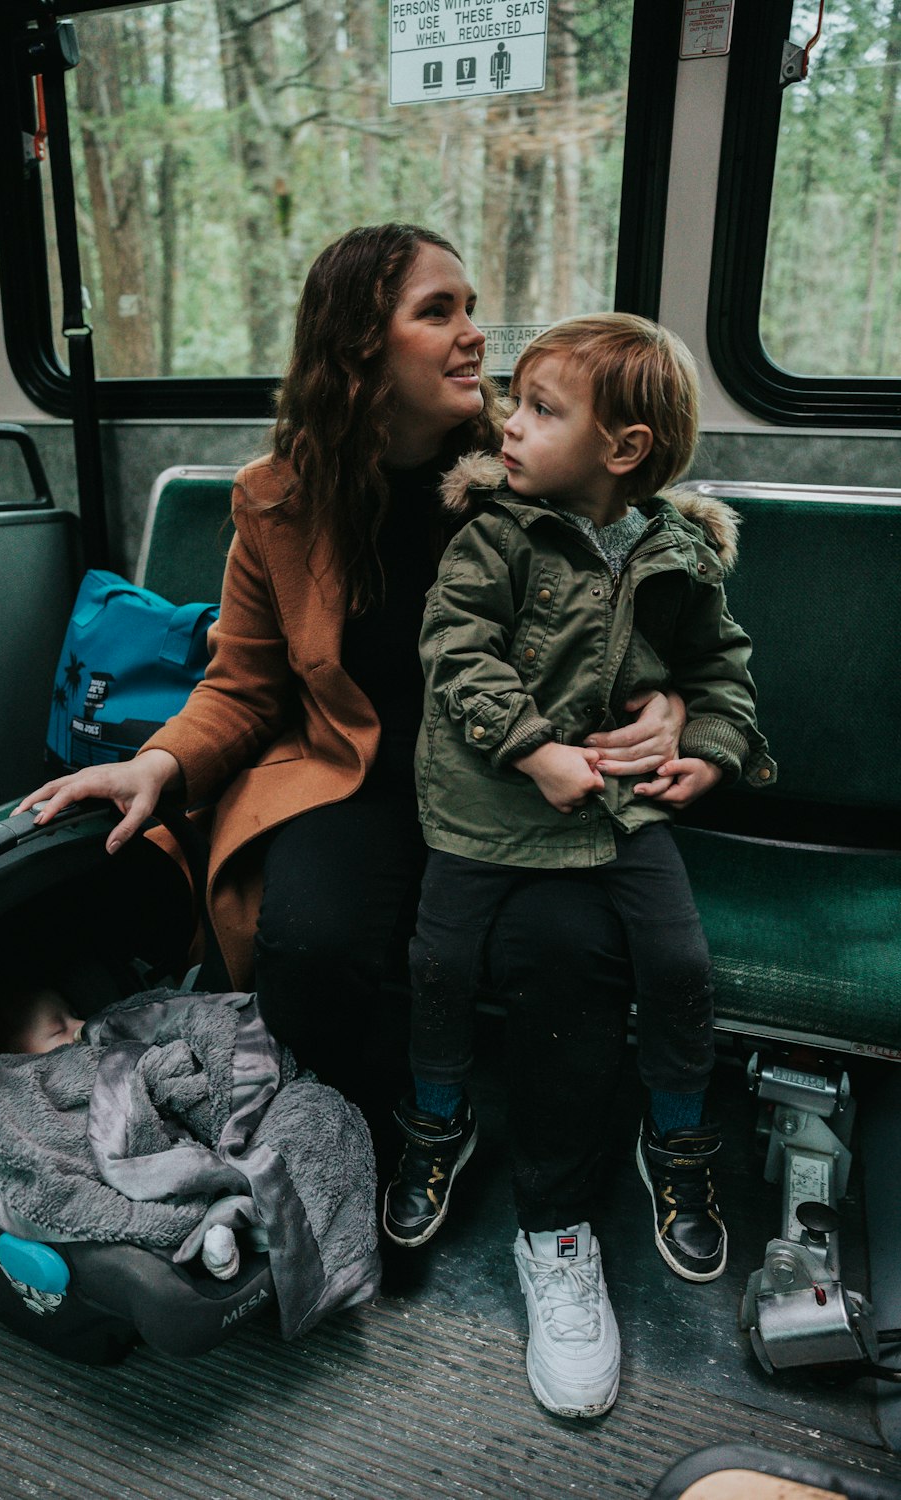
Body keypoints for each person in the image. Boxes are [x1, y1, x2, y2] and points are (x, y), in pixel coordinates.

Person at [14, 226, 682, 1190]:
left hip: (515, 780)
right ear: (360, 345)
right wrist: (155, 765)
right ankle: (343, 1153)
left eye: (471, 307)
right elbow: (243, 685)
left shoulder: (529, 464)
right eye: (438, 311)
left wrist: (668, 700)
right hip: (358, 776)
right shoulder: (279, 499)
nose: (475, 335)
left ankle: (555, 1205)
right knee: (308, 940)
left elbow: (648, 595)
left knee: (567, 950)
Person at [381, 312, 776, 1418]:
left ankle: (679, 1139)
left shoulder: (676, 554)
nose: (509, 423)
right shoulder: (493, 536)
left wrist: (706, 748)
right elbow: (453, 654)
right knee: (440, 969)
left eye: (543, 411)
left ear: (623, 452)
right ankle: (434, 1121)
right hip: (483, 810)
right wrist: (534, 748)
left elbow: (720, 668)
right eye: (516, 400)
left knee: (678, 963)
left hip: (620, 816)